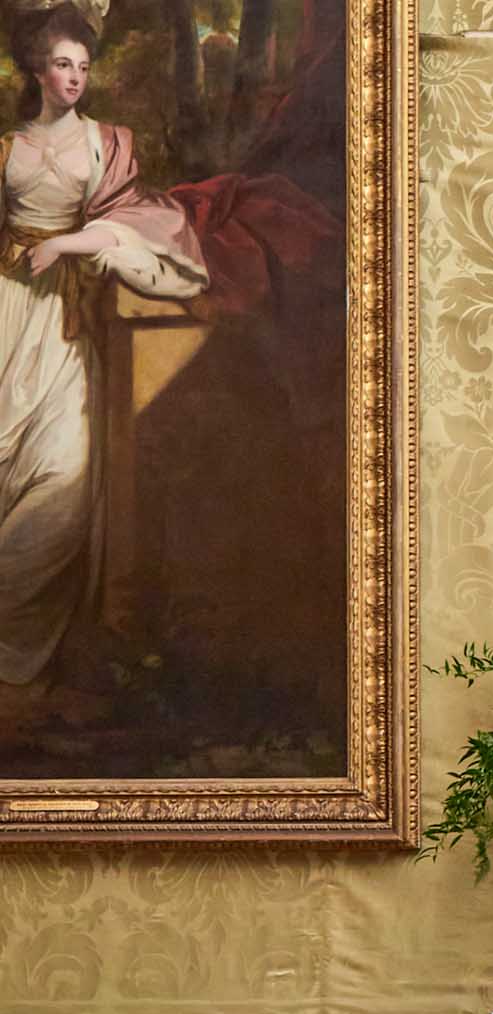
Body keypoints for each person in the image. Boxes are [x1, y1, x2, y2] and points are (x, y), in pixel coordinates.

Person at [0, 7, 207, 688]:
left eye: (83, 67)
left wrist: (65, 242)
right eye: (63, 65)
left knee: (65, 475)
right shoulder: (8, 147)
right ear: (39, 69)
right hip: (5, 312)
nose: (74, 78)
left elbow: (128, 222)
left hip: (65, 319)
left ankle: (11, 645)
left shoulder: (106, 143)